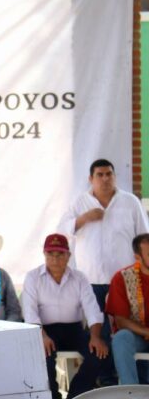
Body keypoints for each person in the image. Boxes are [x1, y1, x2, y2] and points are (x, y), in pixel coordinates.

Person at [59, 159, 148, 384]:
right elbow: (62, 232)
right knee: (98, 331)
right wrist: (84, 218)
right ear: (91, 179)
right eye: (100, 175)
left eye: (109, 174)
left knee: (127, 332)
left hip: (127, 281)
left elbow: (143, 236)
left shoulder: (129, 202)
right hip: (92, 280)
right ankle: (105, 379)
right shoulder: (80, 202)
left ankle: (134, 378)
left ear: (115, 176)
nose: (105, 178)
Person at [22, 233, 107, 399]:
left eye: (60, 254)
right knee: (42, 357)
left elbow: (92, 309)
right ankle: (53, 397)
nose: (55, 259)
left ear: (68, 255)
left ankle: (75, 395)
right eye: (50, 254)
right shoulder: (33, 277)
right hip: (44, 331)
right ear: (44, 255)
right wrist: (42, 336)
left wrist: (95, 336)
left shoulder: (79, 277)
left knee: (99, 353)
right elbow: (30, 312)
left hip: (73, 330)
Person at [106, 233, 149, 385]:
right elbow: (121, 321)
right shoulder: (121, 278)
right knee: (121, 338)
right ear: (137, 257)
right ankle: (130, 394)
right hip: (138, 336)